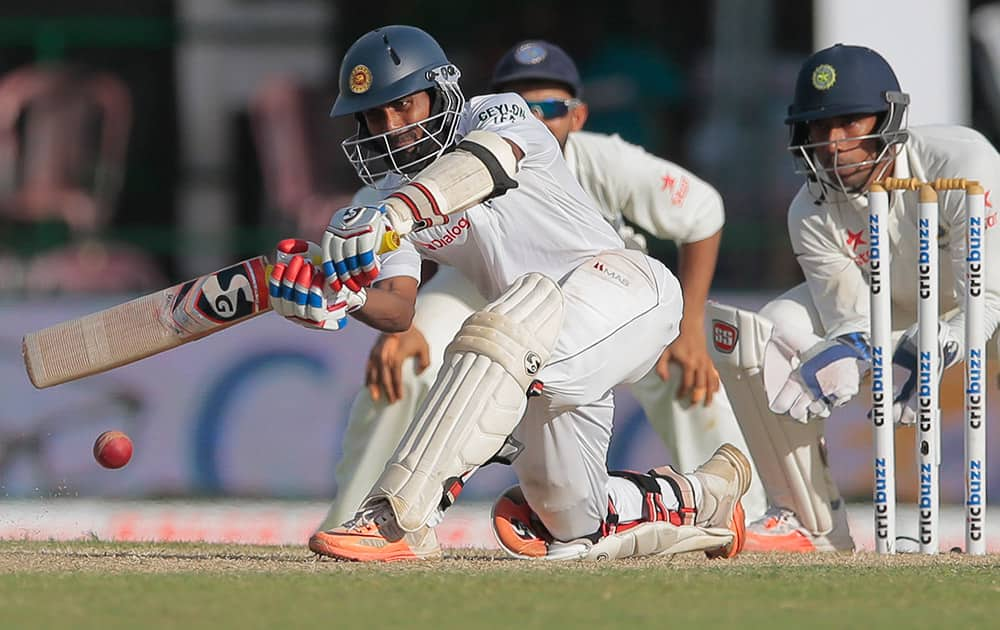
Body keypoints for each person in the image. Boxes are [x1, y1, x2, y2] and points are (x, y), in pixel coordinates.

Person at [269, 25, 753, 562]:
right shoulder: (381, 198)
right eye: (375, 116)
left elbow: (484, 166)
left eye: (404, 105)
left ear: (440, 90)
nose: (393, 128)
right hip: (539, 353)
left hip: (626, 289)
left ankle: (401, 515)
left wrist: (394, 214)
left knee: (500, 328)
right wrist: (345, 299)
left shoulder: (497, 113)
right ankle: (706, 497)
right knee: (567, 527)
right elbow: (399, 305)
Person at [707, 43, 1000, 552]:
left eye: (849, 122)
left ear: (888, 117)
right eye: (820, 128)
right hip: (897, 307)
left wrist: (943, 339)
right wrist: (854, 350)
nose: (834, 143)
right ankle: (807, 522)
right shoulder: (809, 211)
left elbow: (989, 296)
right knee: (767, 334)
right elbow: (853, 318)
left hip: (984, 299)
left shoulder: (962, 161)